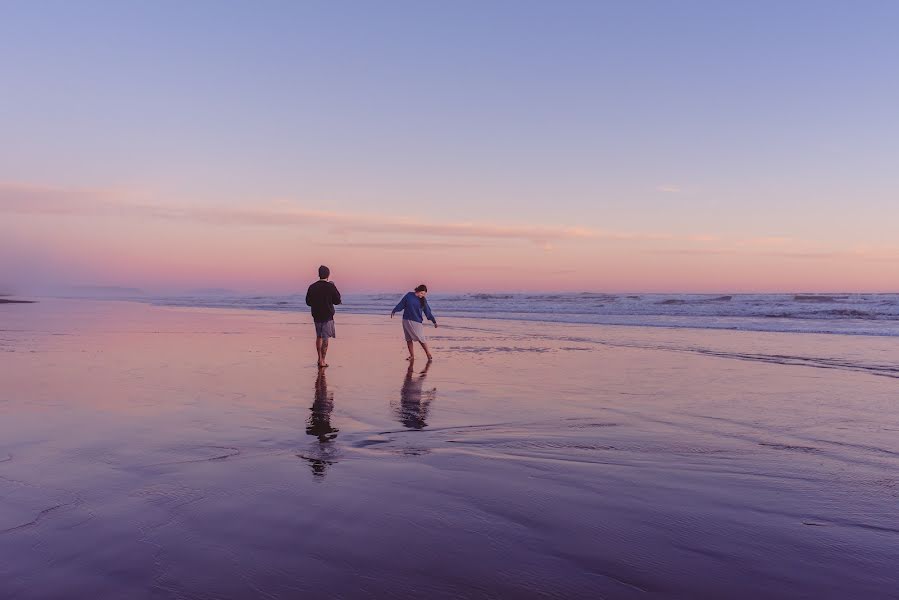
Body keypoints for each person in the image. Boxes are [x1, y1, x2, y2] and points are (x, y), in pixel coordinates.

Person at [305, 265, 341, 368]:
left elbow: (308, 302)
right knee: (325, 338)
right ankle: (322, 360)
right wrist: (334, 286)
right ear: (328, 275)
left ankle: (319, 358)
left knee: (319, 336)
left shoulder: (312, 286)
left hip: (316, 314)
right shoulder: (330, 286)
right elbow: (337, 301)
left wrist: (317, 303)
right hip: (327, 315)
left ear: (319, 274)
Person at [391, 284, 437, 361]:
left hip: (416, 321)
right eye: (422, 293)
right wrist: (395, 310)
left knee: (421, 338)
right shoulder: (409, 295)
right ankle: (412, 356)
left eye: (424, 294)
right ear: (418, 291)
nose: (423, 295)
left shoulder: (423, 300)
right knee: (408, 339)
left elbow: (427, 311)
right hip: (406, 319)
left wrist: (433, 321)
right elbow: (402, 304)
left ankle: (428, 354)